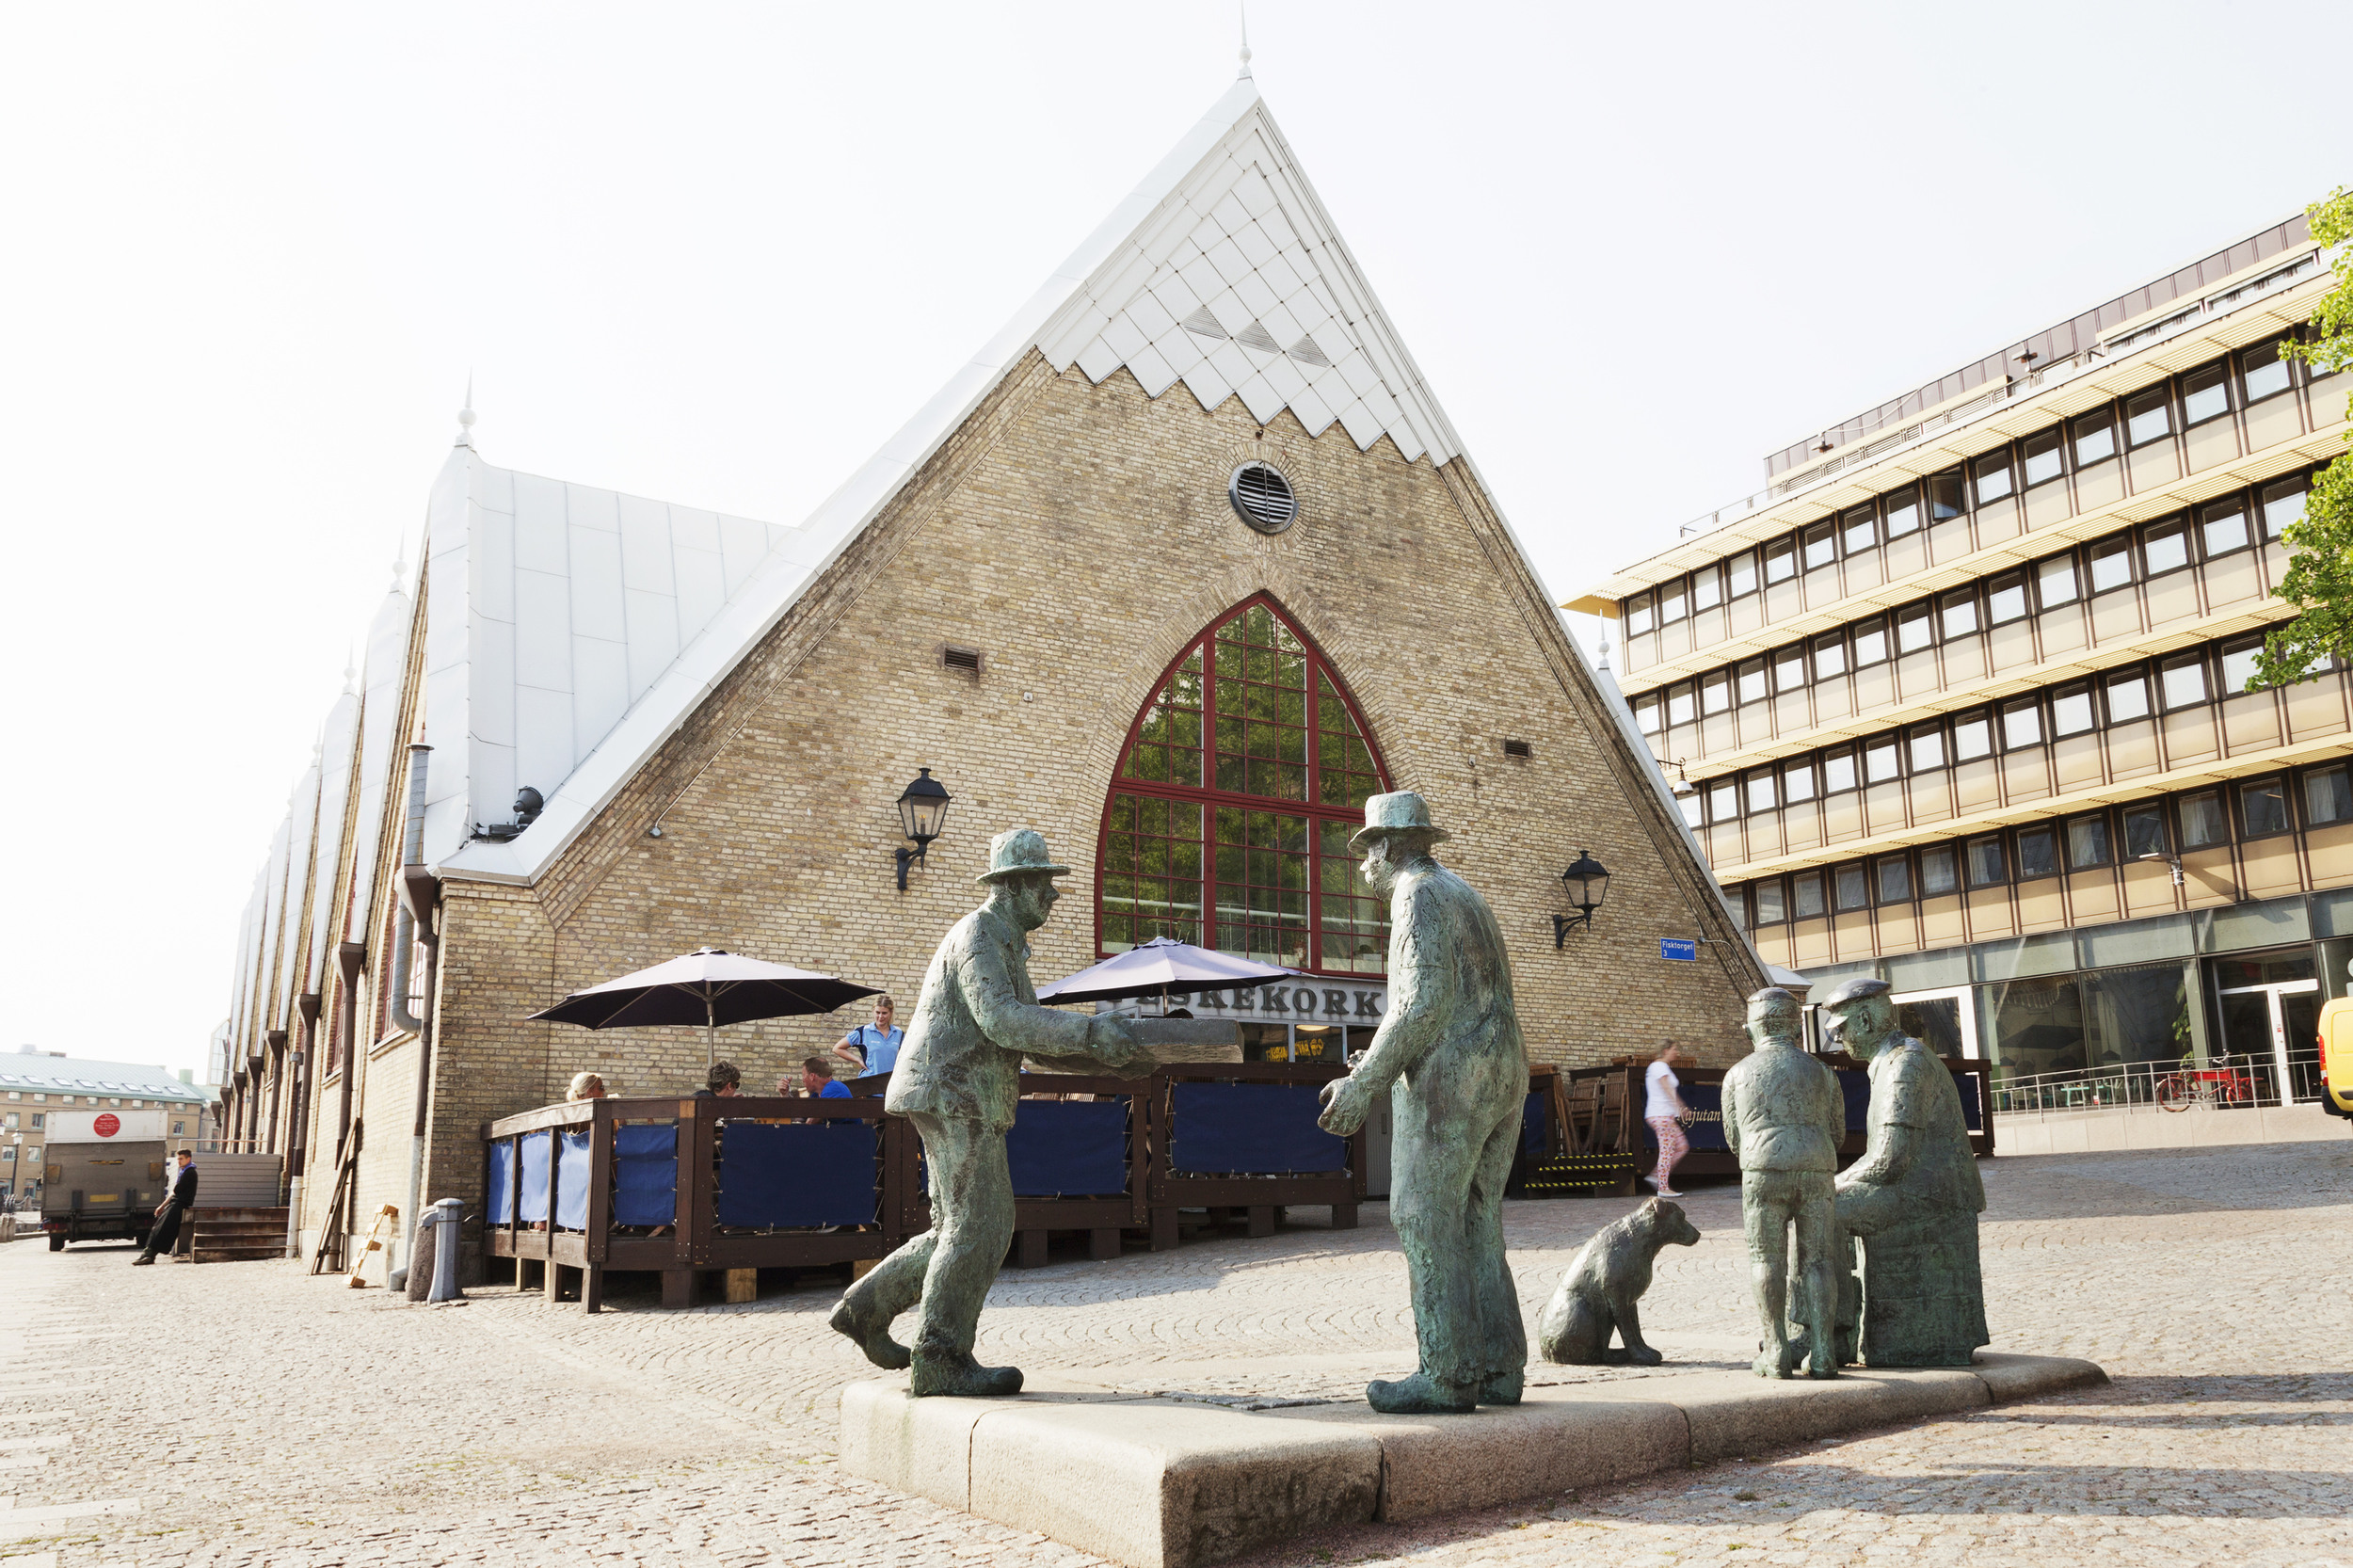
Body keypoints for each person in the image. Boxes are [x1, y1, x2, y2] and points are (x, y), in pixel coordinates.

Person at [829, 828, 1149, 1397]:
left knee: (955, 1227)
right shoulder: (979, 935)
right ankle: (941, 1358)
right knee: (981, 1225)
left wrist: (1108, 1060)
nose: (1053, 896)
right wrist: (1095, 1032)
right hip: (953, 1092)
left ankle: (865, 1309)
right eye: (1046, 884)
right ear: (1017, 885)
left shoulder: (1003, 944)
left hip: (959, 1091)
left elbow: (1030, 1036)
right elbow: (1001, 1021)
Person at [1315, 792, 1529, 1415]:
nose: (1360, 868)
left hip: (1453, 1076)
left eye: (1365, 851)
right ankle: (1499, 1366)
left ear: (1387, 848)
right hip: (1504, 1066)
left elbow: (1422, 1003)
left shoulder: (1416, 894)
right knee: (1478, 1220)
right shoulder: (1464, 893)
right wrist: (1381, 1062)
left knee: (1423, 1216)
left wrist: (1365, 1082)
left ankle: (1447, 1372)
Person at [1819, 976, 1988, 1368]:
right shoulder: (1891, 1060)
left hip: (1930, 1196)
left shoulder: (1904, 1064)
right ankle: (1829, 1333)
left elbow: (1889, 1161)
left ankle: (1826, 1335)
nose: (1838, 1039)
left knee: (1822, 1211)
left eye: (1841, 1029)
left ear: (1864, 1020)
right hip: (1918, 1187)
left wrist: (1825, 1187)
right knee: (1821, 1206)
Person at [1720, 988, 1845, 1380]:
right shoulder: (1823, 1072)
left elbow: (1733, 1138)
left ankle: (1776, 1352)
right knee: (1819, 1261)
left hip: (1763, 1168)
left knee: (1765, 1260)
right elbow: (1838, 1132)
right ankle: (1824, 1353)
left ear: (1750, 1029)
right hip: (1816, 1165)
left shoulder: (1738, 1074)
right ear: (1796, 1027)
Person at [1643, 1043, 1693, 1197]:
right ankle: (1663, 1187)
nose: (1677, 1052)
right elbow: (1666, 1087)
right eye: (1674, 1049)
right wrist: (1681, 1106)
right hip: (1661, 1115)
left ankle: (1656, 1176)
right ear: (1666, 1050)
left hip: (1665, 1115)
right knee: (1667, 1150)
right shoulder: (1659, 1067)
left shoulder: (1660, 1067)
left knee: (1682, 1146)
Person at [132, 1149, 197, 1266]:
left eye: (181, 1158)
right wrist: (162, 1206)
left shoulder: (190, 1172)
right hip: (175, 1203)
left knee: (163, 1229)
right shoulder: (184, 1171)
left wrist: (163, 1205)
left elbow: (176, 1191)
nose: (179, 1161)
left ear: (188, 1159)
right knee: (158, 1228)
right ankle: (147, 1254)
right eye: (178, 1159)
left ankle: (149, 1255)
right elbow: (174, 1192)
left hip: (180, 1204)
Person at [834, 996, 904, 1079]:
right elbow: (837, 1048)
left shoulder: (899, 1033)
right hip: (869, 1083)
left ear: (891, 1013)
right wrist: (858, 1060)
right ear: (873, 1011)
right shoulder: (863, 1031)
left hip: (890, 1083)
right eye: (878, 1012)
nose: (880, 1016)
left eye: (884, 1013)